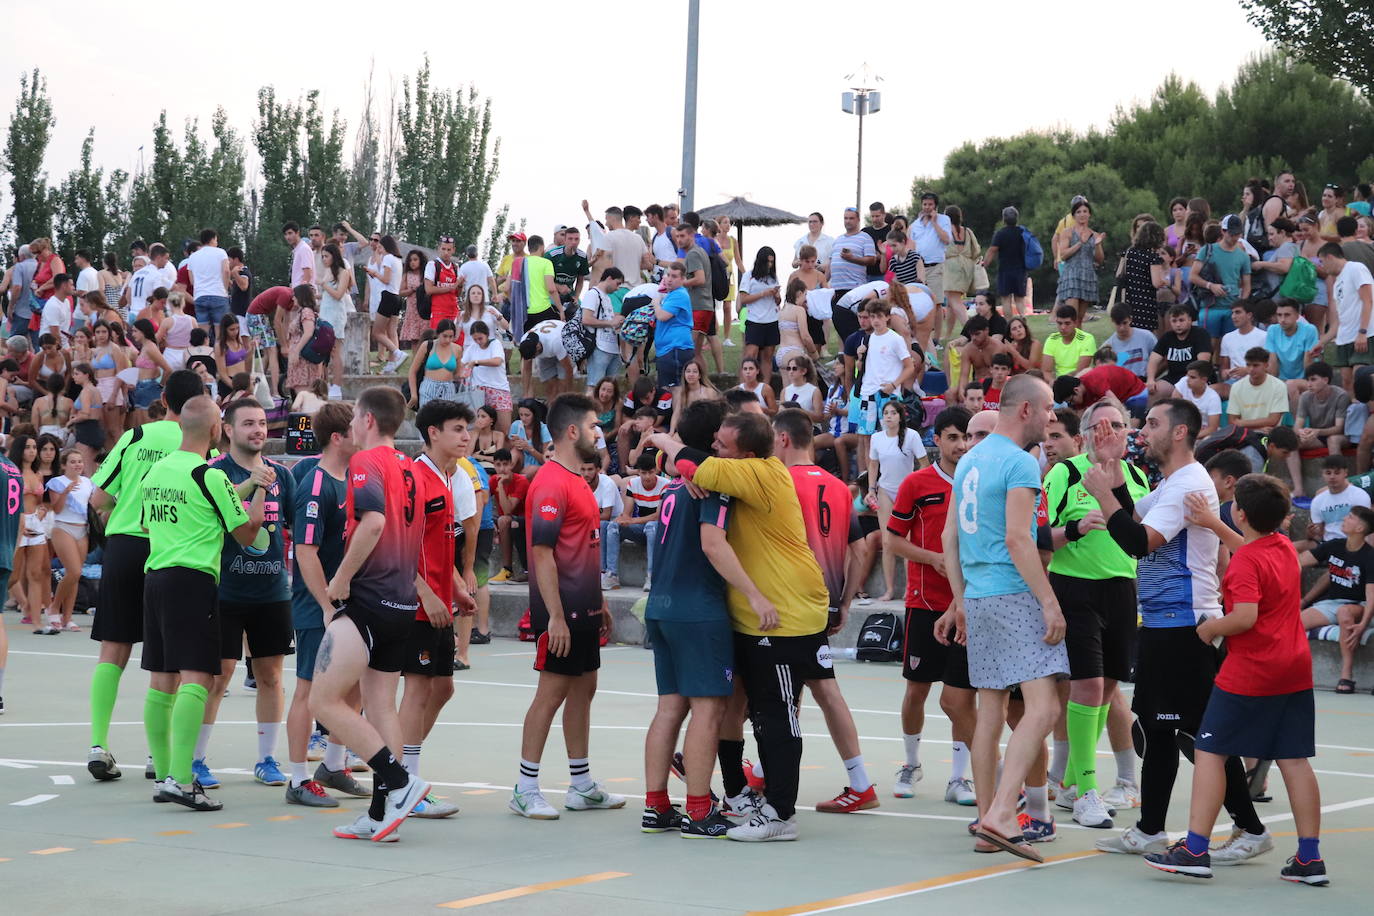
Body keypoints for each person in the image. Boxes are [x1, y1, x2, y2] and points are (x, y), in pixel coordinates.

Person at [1087, 400, 1270, 865]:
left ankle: (1249, 829)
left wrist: (1106, 497)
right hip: (1165, 623)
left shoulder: (1189, 482)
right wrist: (1109, 473)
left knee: (1197, 734)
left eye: (1152, 423)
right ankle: (1151, 828)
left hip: (1185, 625)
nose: (1143, 431)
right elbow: (1135, 520)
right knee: (1160, 728)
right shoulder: (1172, 482)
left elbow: (1138, 542)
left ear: (1182, 432)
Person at [651, 410, 831, 842]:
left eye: (723, 446)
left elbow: (691, 463)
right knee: (745, 711)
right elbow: (687, 462)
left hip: (784, 614)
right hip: (746, 614)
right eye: (713, 442)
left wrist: (662, 443)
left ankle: (778, 813)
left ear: (746, 455)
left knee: (773, 715)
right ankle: (733, 798)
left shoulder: (759, 474)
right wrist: (667, 450)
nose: (715, 449)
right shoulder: (727, 477)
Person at [1144, 474, 1327, 886]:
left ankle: (1193, 849)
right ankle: (1310, 859)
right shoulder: (1281, 547)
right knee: (1294, 760)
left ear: (1240, 512)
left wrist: (1212, 629)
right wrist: (1211, 522)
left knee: (1210, 753)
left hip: (1252, 671)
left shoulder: (1246, 560)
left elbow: (1245, 616)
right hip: (1294, 667)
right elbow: (1252, 549)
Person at [311, 387, 451, 842]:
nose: (351, 425)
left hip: (369, 598)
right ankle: (380, 814)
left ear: (368, 420)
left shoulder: (366, 463)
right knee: (379, 705)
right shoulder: (409, 468)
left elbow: (373, 524)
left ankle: (399, 782)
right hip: (400, 604)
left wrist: (340, 580)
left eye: (355, 417)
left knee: (323, 702)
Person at [942, 375, 1067, 863]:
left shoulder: (969, 460)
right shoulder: (1020, 462)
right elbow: (1019, 539)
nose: (1052, 417)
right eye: (1048, 409)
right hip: (1014, 594)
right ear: (1025, 411)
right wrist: (1049, 601)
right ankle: (999, 815)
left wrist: (961, 600)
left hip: (979, 596)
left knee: (991, 713)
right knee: (1043, 709)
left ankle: (986, 823)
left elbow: (950, 539)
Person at [140, 395, 265, 810]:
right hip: (193, 581)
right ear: (216, 431)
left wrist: (240, 489)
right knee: (198, 678)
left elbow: (151, 520)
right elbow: (246, 532)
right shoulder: (207, 475)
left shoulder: (157, 470)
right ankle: (180, 777)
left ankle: (164, 774)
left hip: (156, 577)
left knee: (161, 679)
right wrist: (260, 490)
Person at [85, 371, 205, 783]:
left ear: (164, 399)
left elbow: (98, 497)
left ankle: (99, 744)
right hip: (168, 550)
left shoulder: (136, 438)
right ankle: (160, 756)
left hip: (123, 546)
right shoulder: (194, 444)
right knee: (168, 658)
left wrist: (123, 503)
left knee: (113, 650)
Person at [510, 394, 625, 820]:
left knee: (584, 688)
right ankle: (524, 788)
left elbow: (584, 548)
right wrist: (555, 616)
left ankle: (581, 785)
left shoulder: (579, 480)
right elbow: (542, 552)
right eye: (595, 425)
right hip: (558, 611)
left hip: (585, 607)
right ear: (573, 431)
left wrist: (600, 602)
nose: (600, 432)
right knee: (552, 691)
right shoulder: (550, 482)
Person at [640, 399, 752, 837]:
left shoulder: (674, 483)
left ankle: (655, 805)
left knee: (670, 707)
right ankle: (700, 810)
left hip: (661, 605)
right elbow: (713, 544)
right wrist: (754, 594)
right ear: (714, 442)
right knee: (708, 710)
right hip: (698, 609)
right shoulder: (710, 482)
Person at [1042, 400, 1150, 829]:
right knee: (1085, 687)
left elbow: (1143, 531)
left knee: (1106, 688)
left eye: (1119, 425)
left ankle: (1069, 781)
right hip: (1075, 589)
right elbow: (1038, 537)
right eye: (1102, 426)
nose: (1112, 433)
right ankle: (1087, 791)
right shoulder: (1065, 474)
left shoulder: (1138, 476)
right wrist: (1073, 529)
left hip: (1123, 590)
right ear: (1085, 434)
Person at [191, 401, 297, 792]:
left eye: (263, 423)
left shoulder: (282, 476)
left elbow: (294, 528)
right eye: (248, 423)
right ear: (228, 431)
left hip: (271, 591)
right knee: (217, 677)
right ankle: (195, 759)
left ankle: (267, 759)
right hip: (224, 591)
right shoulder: (212, 475)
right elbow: (216, 519)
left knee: (271, 676)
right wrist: (252, 483)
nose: (258, 429)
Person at [884, 406, 980, 805]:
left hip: (970, 606)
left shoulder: (982, 482)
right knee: (917, 691)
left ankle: (960, 778)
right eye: (953, 437)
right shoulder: (917, 484)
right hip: (925, 603)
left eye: (966, 438)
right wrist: (933, 558)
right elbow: (892, 540)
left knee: (963, 697)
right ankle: (910, 763)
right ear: (936, 440)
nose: (960, 445)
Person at [283, 402, 368, 807]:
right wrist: (325, 604)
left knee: (353, 687)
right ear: (338, 438)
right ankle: (297, 780)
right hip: (319, 602)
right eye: (355, 429)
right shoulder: (316, 483)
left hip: (349, 599)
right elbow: (305, 552)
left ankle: (333, 766)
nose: (362, 434)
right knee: (308, 690)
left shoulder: (354, 477)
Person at [399, 400, 478, 819]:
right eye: (458, 428)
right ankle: (404, 784)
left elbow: (438, 544)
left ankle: (399, 771)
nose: (466, 436)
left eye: (467, 429)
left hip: (439, 603)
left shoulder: (450, 478)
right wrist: (427, 594)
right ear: (433, 432)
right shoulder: (415, 479)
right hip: (415, 606)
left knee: (443, 688)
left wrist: (453, 587)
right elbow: (399, 547)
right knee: (417, 690)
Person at [1298, 505, 1374, 694]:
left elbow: (1372, 595)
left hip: (1360, 605)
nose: (1344, 519)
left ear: (1360, 529)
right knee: (1295, 622)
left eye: (1350, 517)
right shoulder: (1334, 546)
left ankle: (1346, 676)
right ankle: (1293, 671)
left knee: (1344, 612)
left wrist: (1363, 624)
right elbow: (1298, 561)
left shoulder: (1370, 556)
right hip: (1332, 603)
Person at [866, 401, 927, 602]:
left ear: (901, 416)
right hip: (885, 490)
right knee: (888, 540)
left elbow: (924, 465)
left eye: (893, 413)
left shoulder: (912, 436)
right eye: (886, 413)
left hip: (906, 491)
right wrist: (871, 489)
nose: (889, 416)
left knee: (908, 541)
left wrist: (918, 488)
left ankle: (910, 588)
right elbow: (873, 465)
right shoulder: (876, 438)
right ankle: (889, 589)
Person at [1316, 241, 1374, 395]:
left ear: (1329, 257)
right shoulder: (1336, 284)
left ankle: (1369, 414)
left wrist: (1362, 332)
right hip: (1345, 338)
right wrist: (1321, 342)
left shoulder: (1356, 268)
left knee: (1361, 376)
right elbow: (1338, 321)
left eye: (1322, 262)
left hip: (1363, 334)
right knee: (1346, 382)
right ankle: (1353, 415)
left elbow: (1368, 300)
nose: (1322, 267)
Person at [45, 449, 93, 632]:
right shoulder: (57, 482)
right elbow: (56, 509)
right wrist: (65, 492)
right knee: (74, 571)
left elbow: (93, 506)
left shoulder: (89, 483)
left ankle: (68, 617)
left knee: (75, 575)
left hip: (83, 529)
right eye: (73, 462)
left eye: (80, 461)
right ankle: (54, 607)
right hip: (63, 527)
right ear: (64, 465)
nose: (77, 465)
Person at [604, 454, 665, 592]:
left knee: (651, 527)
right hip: (640, 529)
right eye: (643, 473)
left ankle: (651, 576)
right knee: (613, 526)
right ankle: (612, 575)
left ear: (656, 470)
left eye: (651, 472)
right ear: (638, 472)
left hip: (657, 529)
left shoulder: (665, 485)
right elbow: (627, 513)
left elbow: (658, 516)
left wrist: (632, 520)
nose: (647, 477)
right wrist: (623, 520)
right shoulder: (633, 484)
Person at [1194, 215, 1253, 349]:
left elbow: (1247, 285)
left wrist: (1241, 305)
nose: (1235, 238)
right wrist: (1210, 286)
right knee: (1208, 345)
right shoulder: (1208, 250)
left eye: (1238, 234)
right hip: (1211, 305)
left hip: (1231, 307)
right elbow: (1193, 276)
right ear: (1223, 231)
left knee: (1229, 346)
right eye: (1232, 234)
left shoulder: (1243, 256)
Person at [828, 207, 879, 341]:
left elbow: (872, 259)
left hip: (855, 288)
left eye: (851, 218)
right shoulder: (838, 239)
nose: (848, 221)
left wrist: (852, 258)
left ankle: (862, 348)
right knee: (839, 322)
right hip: (837, 288)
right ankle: (844, 353)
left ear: (858, 220)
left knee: (858, 322)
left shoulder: (865, 238)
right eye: (845, 218)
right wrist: (825, 283)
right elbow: (831, 262)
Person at [1056, 199, 1104, 321]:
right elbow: (1063, 255)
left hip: (1087, 275)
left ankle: (1079, 339)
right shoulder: (1067, 232)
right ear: (1074, 215)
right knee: (1071, 318)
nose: (1082, 214)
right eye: (1078, 212)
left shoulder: (1094, 234)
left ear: (1089, 214)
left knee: (1079, 320)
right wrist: (1080, 243)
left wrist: (1098, 245)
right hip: (1071, 275)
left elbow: (1099, 260)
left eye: (1085, 211)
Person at [1147, 306, 1213, 394]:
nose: (1178, 324)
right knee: (1154, 391)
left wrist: (1186, 381)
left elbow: (1203, 362)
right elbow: (1153, 360)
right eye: (1174, 321)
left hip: (1196, 377)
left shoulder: (1200, 334)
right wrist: (1150, 379)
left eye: (1181, 320)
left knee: (1181, 393)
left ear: (1190, 320)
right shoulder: (1167, 337)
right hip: (1173, 377)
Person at [739, 248, 782, 385]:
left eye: (772, 262)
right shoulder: (748, 276)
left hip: (772, 320)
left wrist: (776, 295)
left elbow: (778, 301)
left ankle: (765, 387)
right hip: (754, 320)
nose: (769, 265)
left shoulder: (773, 277)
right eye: (767, 262)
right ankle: (743, 386)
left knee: (768, 356)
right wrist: (763, 294)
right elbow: (743, 299)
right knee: (750, 354)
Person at [1224, 348, 1289, 435]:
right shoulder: (1236, 387)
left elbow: (1273, 420)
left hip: (1270, 435)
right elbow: (1232, 422)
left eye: (1255, 365)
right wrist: (1257, 428)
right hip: (1245, 434)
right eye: (1248, 365)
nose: (1251, 369)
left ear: (1266, 365)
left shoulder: (1279, 386)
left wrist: (1241, 423)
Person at [654, 261, 696, 392]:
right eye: (668, 275)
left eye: (674, 276)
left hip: (676, 349)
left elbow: (662, 316)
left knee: (676, 390)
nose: (669, 279)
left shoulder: (679, 294)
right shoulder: (672, 295)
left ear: (683, 279)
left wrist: (656, 303)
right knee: (667, 392)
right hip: (668, 350)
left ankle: (676, 413)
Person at [581, 268, 625, 389]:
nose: (618, 288)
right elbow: (586, 319)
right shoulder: (592, 294)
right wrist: (611, 323)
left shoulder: (607, 297)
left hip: (612, 348)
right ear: (609, 278)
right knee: (594, 387)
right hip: (599, 347)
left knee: (610, 390)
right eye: (618, 283)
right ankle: (592, 408)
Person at [982, 207, 1029, 318]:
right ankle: (1023, 319)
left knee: (1006, 299)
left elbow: (992, 250)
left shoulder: (1001, 234)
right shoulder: (1023, 232)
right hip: (1021, 270)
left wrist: (985, 264)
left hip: (1005, 271)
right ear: (1017, 218)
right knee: (1019, 299)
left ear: (1004, 220)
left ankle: (1008, 323)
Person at [184, 228, 231, 337]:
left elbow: (192, 281)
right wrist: (225, 289)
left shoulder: (193, 257)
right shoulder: (220, 252)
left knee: (203, 333)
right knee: (220, 334)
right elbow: (226, 271)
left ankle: (203, 352)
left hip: (200, 295)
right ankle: (218, 353)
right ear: (213, 239)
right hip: (218, 294)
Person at [516, 318, 573, 401]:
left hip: (564, 345)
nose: (533, 359)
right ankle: (551, 409)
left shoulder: (555, 342)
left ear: (537, 347)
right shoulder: (525, 342)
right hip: (546, 351)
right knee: (550, 387)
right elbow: (526, 370)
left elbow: (568, 369)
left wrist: (569, 394)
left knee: (562, 388)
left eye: (533, 357)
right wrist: (526, 393)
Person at [1172, 361, 1224, 439]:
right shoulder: (1184, 381)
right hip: (1183, 427)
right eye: (1187, 376)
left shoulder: (1213, 398)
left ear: (1204, 380)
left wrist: (1190, 437)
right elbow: (1173, 405)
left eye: (1192, 377)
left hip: (1202, 433)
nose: (1187, 380)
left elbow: (1212, 428)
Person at [1041, 305, 1096, 377]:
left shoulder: (1087, 339)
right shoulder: (1052, 339)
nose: (1063, 327)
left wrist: (1060, 382)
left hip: (1080, 380)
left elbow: (1080, 371)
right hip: (1058, 382)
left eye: (1067, 323)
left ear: (1075, 323)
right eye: (1059, 323)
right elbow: (1046, 371)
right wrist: (1052, 381)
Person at [284, 223, 314, 288]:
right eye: (285, 234)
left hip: (303, 293)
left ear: (297, 233)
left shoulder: (304, 249)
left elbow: (307, 275)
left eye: (290, 233)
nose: (288, 237)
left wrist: (300, 294)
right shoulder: (296, 250)